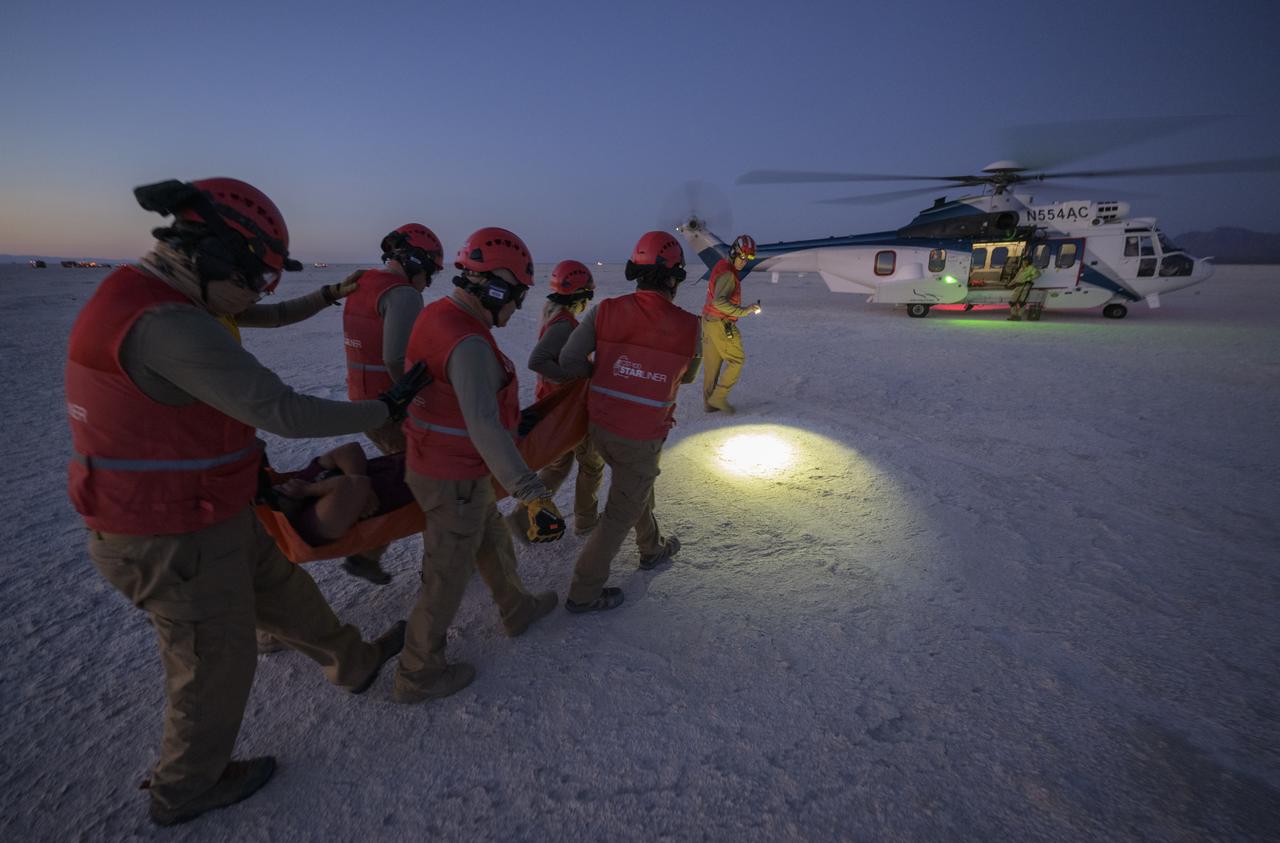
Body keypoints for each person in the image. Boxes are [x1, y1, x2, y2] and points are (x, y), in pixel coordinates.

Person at [66, 178, 428, 827]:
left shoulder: (169, 296)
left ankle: (354, 661)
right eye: (255, 277)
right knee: (212, 664)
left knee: (283, 590)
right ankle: (185, 787)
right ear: (214, 256)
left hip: (212, 509)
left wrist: (322, 295)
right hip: (165, 533)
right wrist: (386, 408)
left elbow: (258, 319)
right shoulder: (165, 325)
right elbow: (282, 409)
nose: (261, 293)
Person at [393, 227, 567, 704]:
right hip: (452, 478)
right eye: (515, 297)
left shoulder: (437, 315)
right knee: (445, 579)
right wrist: (534, 494)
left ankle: (516, 608)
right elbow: (485, 428)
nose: (515, 309)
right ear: (494, 289)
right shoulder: (468, 344)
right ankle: (418, 672)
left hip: (444, 466)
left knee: (490, 536)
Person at [556, 231, 701, 613]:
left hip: (599, 429)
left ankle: (651, 548)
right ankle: (584, 593)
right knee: (620, 511)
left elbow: (570, 360)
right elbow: (685, 377)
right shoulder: (690, 326)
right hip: (641, 436)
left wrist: (611, 373)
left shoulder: (604, 310)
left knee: (635, 489)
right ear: (675, 277)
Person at [340, 223, 444, 583]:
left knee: (404, 477)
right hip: (390, 408)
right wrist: (419, 397)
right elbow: (396, 358)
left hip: (363, 400)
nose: (427, 282)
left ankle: (369, 553)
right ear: (417, 262)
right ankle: (434, 570)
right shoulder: (402, 294)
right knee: (430, 487)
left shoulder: (361, 284)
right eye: (429, 272)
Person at [505, 259, 605, 541]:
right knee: (592, 465)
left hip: (556, 407)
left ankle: (521, 519)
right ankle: (586, 521)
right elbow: (537, 360)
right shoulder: (564, 324)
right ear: (580, 296)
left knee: (558, 465)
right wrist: (570, 381)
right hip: (567, 409)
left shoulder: (554, 316)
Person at [263, 442, 415, 551]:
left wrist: (363, 485)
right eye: (275, 493)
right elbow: (352, 484)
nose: (278, 486)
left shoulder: (297, 486)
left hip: (411, 459)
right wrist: (308, 489)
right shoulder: (312, 524)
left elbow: (350, 449)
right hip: (419, 488)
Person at [702, 234, 762, 414]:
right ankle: (719, 398)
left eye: (749, 258)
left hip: (708, 322)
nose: (744, 261)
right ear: (734, 252)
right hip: (721, 323)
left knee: (712, 365)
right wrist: (745, 310)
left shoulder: (721, 266)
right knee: (737, 360)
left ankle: (709, 403)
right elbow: (719, 302)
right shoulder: (728, 274)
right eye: (742, 256)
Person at [1007, 256, 1041, 321]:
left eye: (1026, 261)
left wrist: (1029, 279)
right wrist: (1009, 284)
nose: (1024, 262)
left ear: (1029, 261)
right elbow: (1016, 278)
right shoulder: (1021, 269)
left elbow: (1038, 274)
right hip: (1018, 287)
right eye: (1024, 260)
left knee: (1022, 302)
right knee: (1012, 301)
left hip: (1025, 287)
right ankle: (1014, 315)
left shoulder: (1031, 268)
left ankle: (1018, 316)